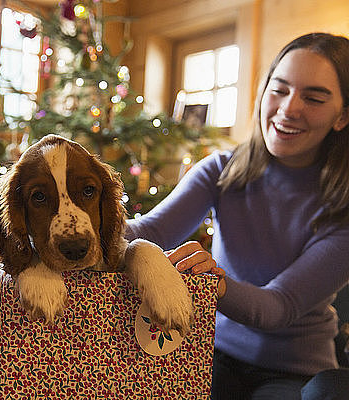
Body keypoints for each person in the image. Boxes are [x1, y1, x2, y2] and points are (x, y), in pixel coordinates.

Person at [126, 32, 349, 399]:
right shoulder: (220, 170)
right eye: (279, 89)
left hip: (293, 374)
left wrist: (214, 279)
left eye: (313, 98)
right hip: (213, 353)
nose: (289, 108)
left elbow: (279, 307)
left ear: (342, 117)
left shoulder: (341, 209)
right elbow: (150, 230)